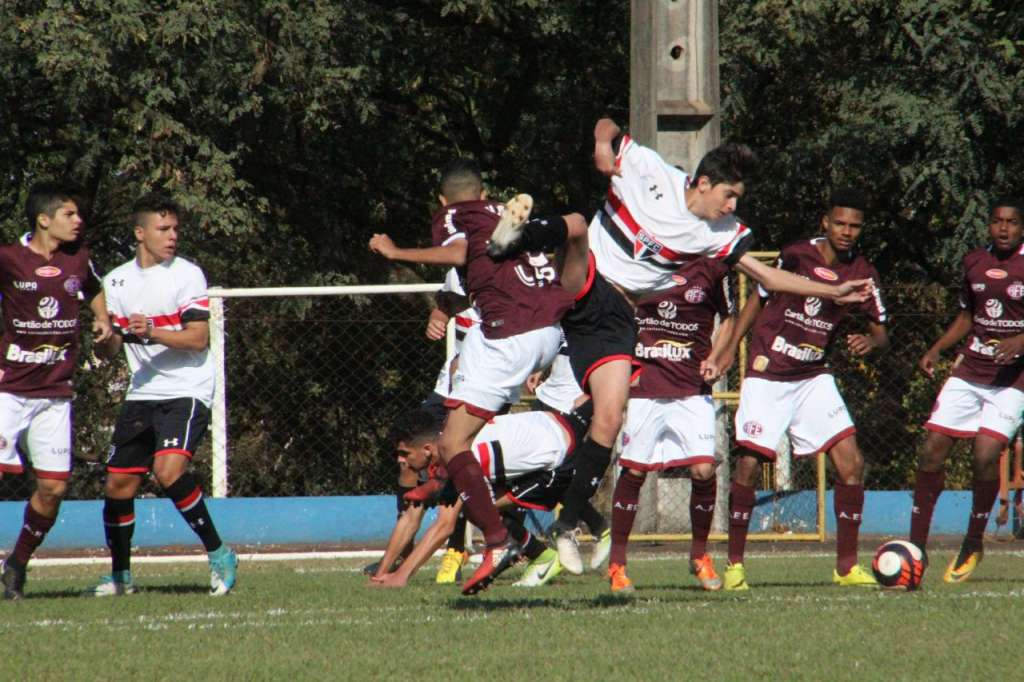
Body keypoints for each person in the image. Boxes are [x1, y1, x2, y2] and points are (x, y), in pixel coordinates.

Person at [487, 118, 875, 572]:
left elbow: (768, 276)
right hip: (585, 280)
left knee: (608, 420)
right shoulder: (650, 170)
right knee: (576, 224)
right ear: (703, 183)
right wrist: (600, 145)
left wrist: (835, 291)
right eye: (728, 195)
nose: (732, 206)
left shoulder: (721, 231)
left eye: (737, 200)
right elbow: (608, 124)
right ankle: (513, 238)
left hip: (615, 317)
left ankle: (567, 525)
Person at [369, 159, 584, 594]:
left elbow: (461, 253)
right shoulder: (509, 218)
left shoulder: (456, 215)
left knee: (450, 444)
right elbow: (481, 272)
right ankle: (508, 534)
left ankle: (499, 541)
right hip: (549, 330)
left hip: (508, 335)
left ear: (443, 199)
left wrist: (396, 252)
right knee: (461, 444)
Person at [718, 188, 889, 590]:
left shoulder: (863, 271)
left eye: (855, 226)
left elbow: (883, 334)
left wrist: (871, 342)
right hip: (769, 372)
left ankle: (846, 567)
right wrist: (729, 350)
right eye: (840, 223)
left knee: (851, 463)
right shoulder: (795, 255)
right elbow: (756, 303)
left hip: (813, 376)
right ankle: (734, 566)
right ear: (825, 223)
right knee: (746, 464)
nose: (847, 231)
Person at [90, 193, 237, 597]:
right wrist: (104, 338)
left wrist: (151, 330)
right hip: (143, 392)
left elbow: (198, 338)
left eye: (175, 229)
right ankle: (120, 576)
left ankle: (219, 553)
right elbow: (113, 346)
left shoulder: (187, 274)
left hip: (187, 389)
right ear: (140, 233)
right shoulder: (116, 281)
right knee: (118, 485)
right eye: (163, 229)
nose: (172, 236)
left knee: (168, 470)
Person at [0, 183, 112, 600]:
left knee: (53, 489)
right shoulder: (8, 259)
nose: (78, 220)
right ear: (43, 219)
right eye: (70, 214)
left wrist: (102, 320)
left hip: (55, 394)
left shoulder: (78, 260)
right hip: (8, 390)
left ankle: (16, 566)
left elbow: (94, 288)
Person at [369, 393, 602, 589]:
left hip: (558, 458)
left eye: (404, 454)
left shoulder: (458, 457)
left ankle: (566, 534)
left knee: (477, 508)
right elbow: (410, 517)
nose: (400, 461)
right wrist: (381, 574)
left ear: (428, 449)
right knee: (478, 505)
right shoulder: (445, 445)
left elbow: (444, 526)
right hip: (548, 425)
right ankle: (546, 554)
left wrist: (401, 576)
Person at [909, 197, 1024, 583]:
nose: (1003, 228)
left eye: (1011, 222)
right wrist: (937, 349)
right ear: (988, 225)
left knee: (985, 455)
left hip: (1013, 380)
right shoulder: (974, 260)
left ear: (1021, 227)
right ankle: (915, 549)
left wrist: (1021, 341)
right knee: (931, 451)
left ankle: (973, 542)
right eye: (996, 221)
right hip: (970, 368)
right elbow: (966, 316)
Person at [607, 257, 736, 593]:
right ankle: (617, 565)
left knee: (704, 470)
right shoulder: (638, 261)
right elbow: (614, 305)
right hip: (644, 386)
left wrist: (718, 356)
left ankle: (699, 556)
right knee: (634, 471)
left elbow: (730, 320)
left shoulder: (713, 268)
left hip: (691, 388)